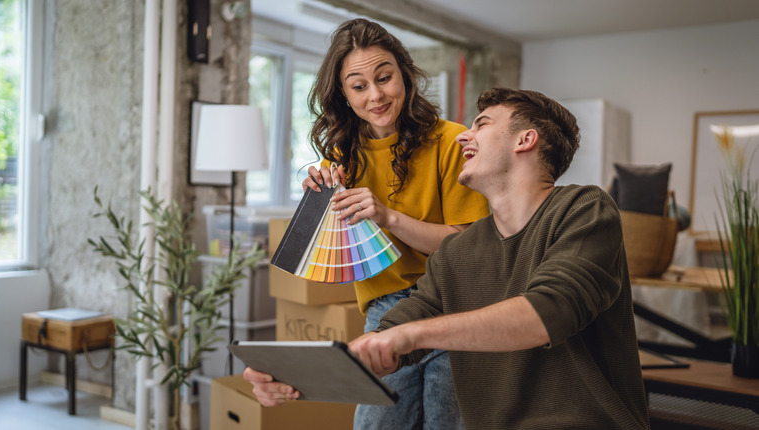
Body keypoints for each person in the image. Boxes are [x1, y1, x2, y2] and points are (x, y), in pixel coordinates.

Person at [250, 87, 651, 429]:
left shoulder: (583, 208)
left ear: (525, 140)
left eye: (482, 124)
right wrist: (295, 375)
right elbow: (401, 325)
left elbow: (551, 310)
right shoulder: (459, 250)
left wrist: (410, 335)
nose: (463, 137)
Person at [246, 18, 489, 429]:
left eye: (384, 77)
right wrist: (321, 211)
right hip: (386, 311)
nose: (375, 95)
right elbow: (337, 261)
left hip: (455, 306)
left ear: (405, 76)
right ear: (343, 93)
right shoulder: (341, 159)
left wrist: (387, 216)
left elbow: (468, 249)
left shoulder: (453, 141)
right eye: (359, 86)